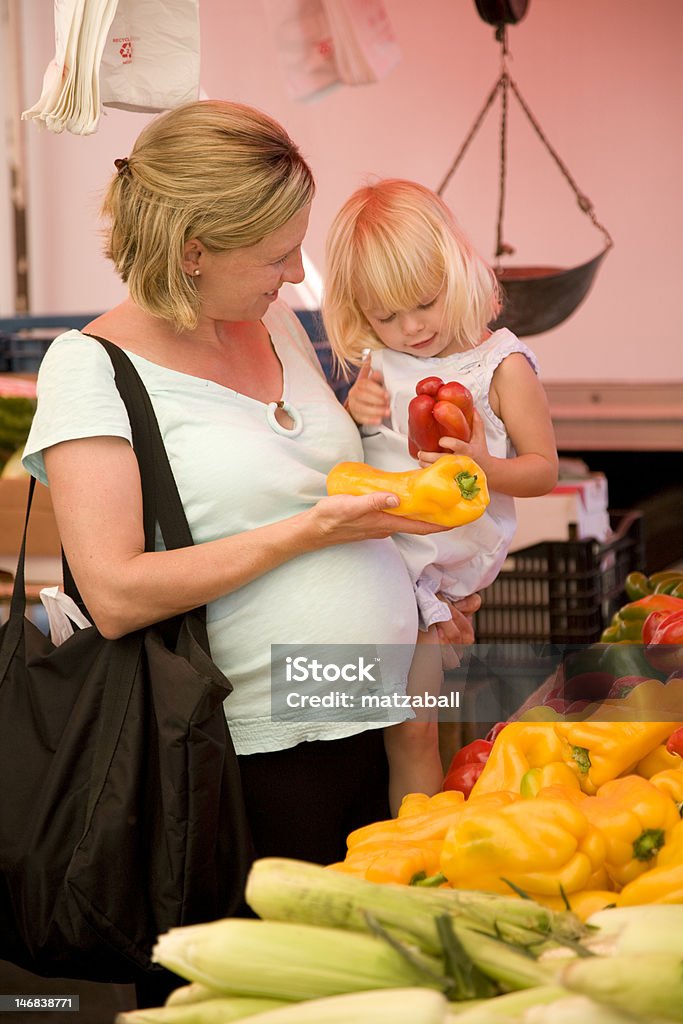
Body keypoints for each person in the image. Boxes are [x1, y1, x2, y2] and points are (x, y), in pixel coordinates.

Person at [21, 105, 480, 902]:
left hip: (382, 724)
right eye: (277, 253)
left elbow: (330, 486)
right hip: (239, 762)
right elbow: (117, 593)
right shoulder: (90, 366)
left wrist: (427, 586)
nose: (298, 274)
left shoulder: (277, 328)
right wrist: (307, 533)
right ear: (193, 251)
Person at [322, 178, 559, 812]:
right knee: (378, 722)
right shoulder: (379, 362)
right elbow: (364, 454)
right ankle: (399, 841)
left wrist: (486, 466)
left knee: (414, 728)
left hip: (438, 574)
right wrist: (357, 409)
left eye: (423, 303)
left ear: (457, 272)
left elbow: (541, 470)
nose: (411, 327)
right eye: (387, 316)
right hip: (374, 556)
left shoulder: (500, 366)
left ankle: (417, 851)